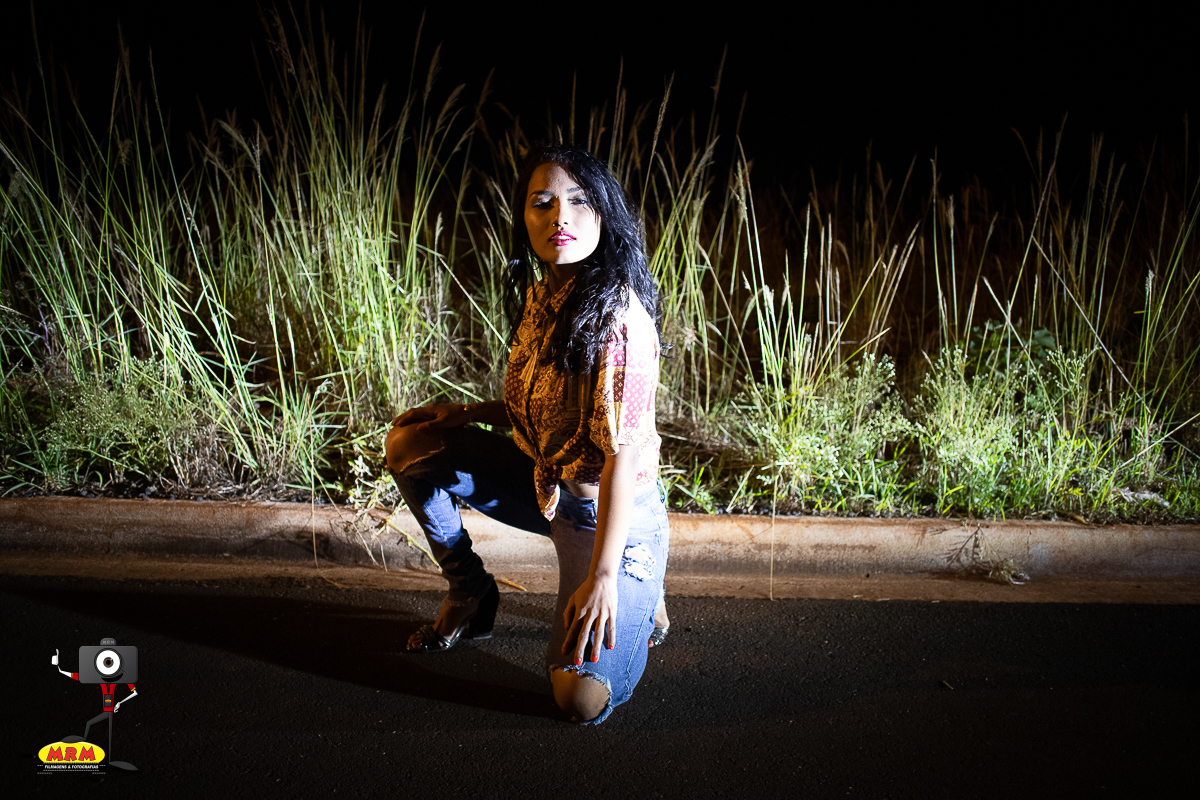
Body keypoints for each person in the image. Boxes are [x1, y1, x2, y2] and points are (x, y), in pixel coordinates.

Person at [384, 143, 669, 724]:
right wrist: (467, 413)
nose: (560, 216)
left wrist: (604, 578)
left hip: (607, 517)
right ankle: (470, 592)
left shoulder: (619, 320)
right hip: (547, 487)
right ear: (525, 217)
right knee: (412, 447)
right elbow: (543, 409)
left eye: (579, 201)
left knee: (580, 699)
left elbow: (620, 456)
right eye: (543, 203)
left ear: (605, 214)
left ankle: (641, 584)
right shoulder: (544, 295)